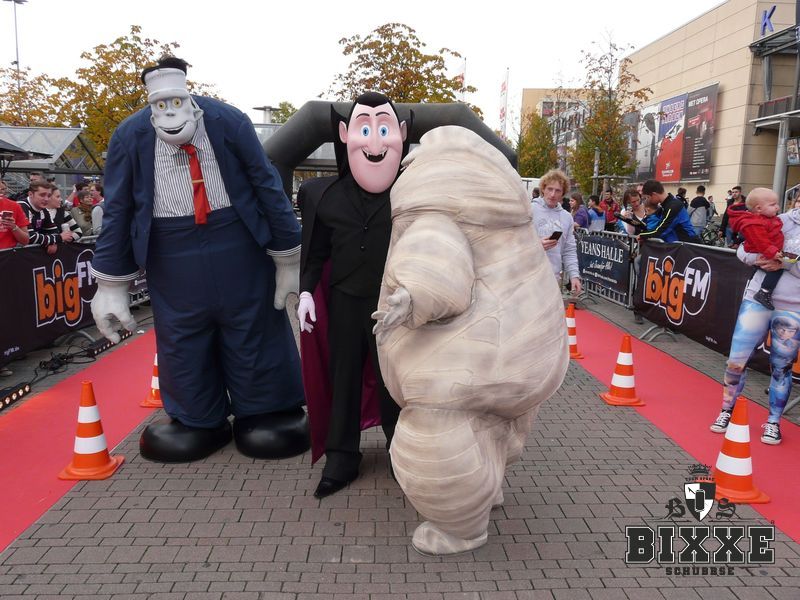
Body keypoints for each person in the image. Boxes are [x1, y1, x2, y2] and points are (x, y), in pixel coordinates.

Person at [90, 56, 307, 463]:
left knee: (254, 325)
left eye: (176, 103)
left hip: (237, 242)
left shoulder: (228, 122)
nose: (170, 116)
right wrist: (111, 285)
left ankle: (266, 409)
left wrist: (288, 259)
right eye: (160, 106)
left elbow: (266, 185)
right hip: (170, 252)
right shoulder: (130, 136)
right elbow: (118, 208)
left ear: (188, 95)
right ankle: (197, 417)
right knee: (181, 337)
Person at [297, 91, 407, 499]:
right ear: (345, 134)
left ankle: (401, 451)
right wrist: (305, 293)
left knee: (393, 380)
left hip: (391, 304)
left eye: (385, 128)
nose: (375, 142)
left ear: (402, 132)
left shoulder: (409, 192)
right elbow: (315, 252)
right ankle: (341, 456)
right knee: (343, 379)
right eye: (364, 128)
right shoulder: (322, 195)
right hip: (343, 300)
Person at [710, 207, 800, 445]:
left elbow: (786, 264)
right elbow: (743, 249)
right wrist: (757, 258)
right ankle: (726, 410)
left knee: (782, 366)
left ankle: (773, 422)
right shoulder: (779, 220)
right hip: (756, 301)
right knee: (736, 360)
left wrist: (783, 265)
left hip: (792, 307)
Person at [728, 188, 784, 310]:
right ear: (759, 208)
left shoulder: (767, 218)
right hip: (763, 254)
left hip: (767, 253)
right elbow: (761, 241)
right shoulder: (754, 223)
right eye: (773, 205)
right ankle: (764, 292)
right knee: (775, 270)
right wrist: (772, 252)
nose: (777, 207)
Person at [531, 169, 582, 296]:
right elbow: (515, 242)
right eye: (550, 189)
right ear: (543, 189)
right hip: (528, 275)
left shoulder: (566, 217)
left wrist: (574, 275)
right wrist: (536, 245)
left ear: (563, 193)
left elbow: (569, 250)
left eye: (558, 190)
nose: (553, 194)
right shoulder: (529, 210)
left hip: (553, 278)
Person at [17, 181, 73, 253]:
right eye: (42, 195)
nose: (46, 199)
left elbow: (53, 231)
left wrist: (53, 242)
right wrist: (58, 238)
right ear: (30, 194)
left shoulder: (43, 209)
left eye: (49, 196)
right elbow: (30, 237)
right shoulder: (21, 206)